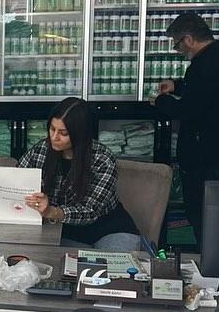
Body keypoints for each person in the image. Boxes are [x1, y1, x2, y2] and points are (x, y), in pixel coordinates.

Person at [154, 13, 219, 248]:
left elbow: (189, 110)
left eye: (178, 44)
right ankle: (216, 252)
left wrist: (160, 101)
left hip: (204, 156)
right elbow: (209, 93)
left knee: (200, 214)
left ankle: (207, 257)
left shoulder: (203, 65)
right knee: (218, 213)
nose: (179, 50)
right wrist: (177, 85)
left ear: (189, 39)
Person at [19, 98, 141, 251]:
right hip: (63, 231)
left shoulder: (102, 159)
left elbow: (90, 211)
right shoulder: (40, 151)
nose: (54, 137)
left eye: (63, 133)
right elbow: (17, 181)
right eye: (52, 129)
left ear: (80, 133)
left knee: (112, 264)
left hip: (109, 229)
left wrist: (51, 211)